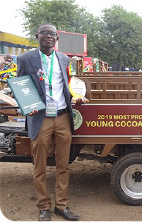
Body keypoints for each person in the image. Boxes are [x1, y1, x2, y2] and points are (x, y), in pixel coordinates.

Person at [17, 24, 83, 221]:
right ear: (37, 36)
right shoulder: (25, 59)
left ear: (57, 38)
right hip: (41, 117)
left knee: (63, 165)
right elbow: (20, 86)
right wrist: (27, 105)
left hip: (63, 117)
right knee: (40, 165)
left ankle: (61, 206)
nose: (48, 36)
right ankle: (44, 206)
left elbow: (68, 83)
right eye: (44, 33)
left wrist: (78, 95)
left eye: (52, 34)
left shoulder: (64, 59)